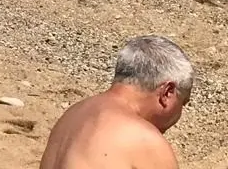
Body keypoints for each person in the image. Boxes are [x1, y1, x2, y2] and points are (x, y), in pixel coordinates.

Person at [40, 36, 192, 169]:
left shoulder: (72, 117)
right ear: (167, 92)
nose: (179, 115)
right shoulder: (143, 138)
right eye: (182, 103)